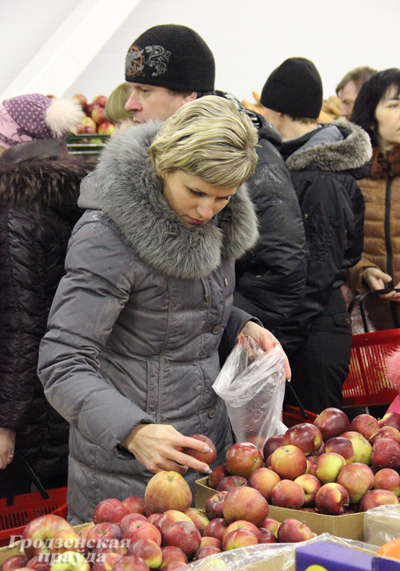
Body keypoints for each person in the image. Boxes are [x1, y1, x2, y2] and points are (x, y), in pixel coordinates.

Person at [38, 96, 290, 524]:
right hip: (125, 475)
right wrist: (133, 432)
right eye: (195, 192)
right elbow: (62, 361)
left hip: (202, 458)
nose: (207, 211)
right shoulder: (108, 236)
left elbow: (180, 305)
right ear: (161, 164)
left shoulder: (214, 221)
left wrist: (242, 324)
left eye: (223, 198)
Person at [123, 24, 307, 333]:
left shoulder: (242, 158)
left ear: (187, 96)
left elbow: (281, 271)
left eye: (145, 90)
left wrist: (222, 330)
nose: (130, 104)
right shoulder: (167, 156)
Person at [260, 58, 372, 414]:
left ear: (278, 111)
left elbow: (317, 271)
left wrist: (281, 337)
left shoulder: (320, 176)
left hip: (314, 334)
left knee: (316, 444)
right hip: (306, 327)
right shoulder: (298, 163)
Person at [0, 93, 92, 498]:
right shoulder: (73, 196)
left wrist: (7, 420)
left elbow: (20, 325)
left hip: (27, 408)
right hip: (60, 392)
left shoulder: (15, 212)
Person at [348, 69, 400, 331]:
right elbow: (339, 246)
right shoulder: (351, 176)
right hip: (371, 324)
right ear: (371, 116)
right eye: (394, 104)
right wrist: (364, 271)